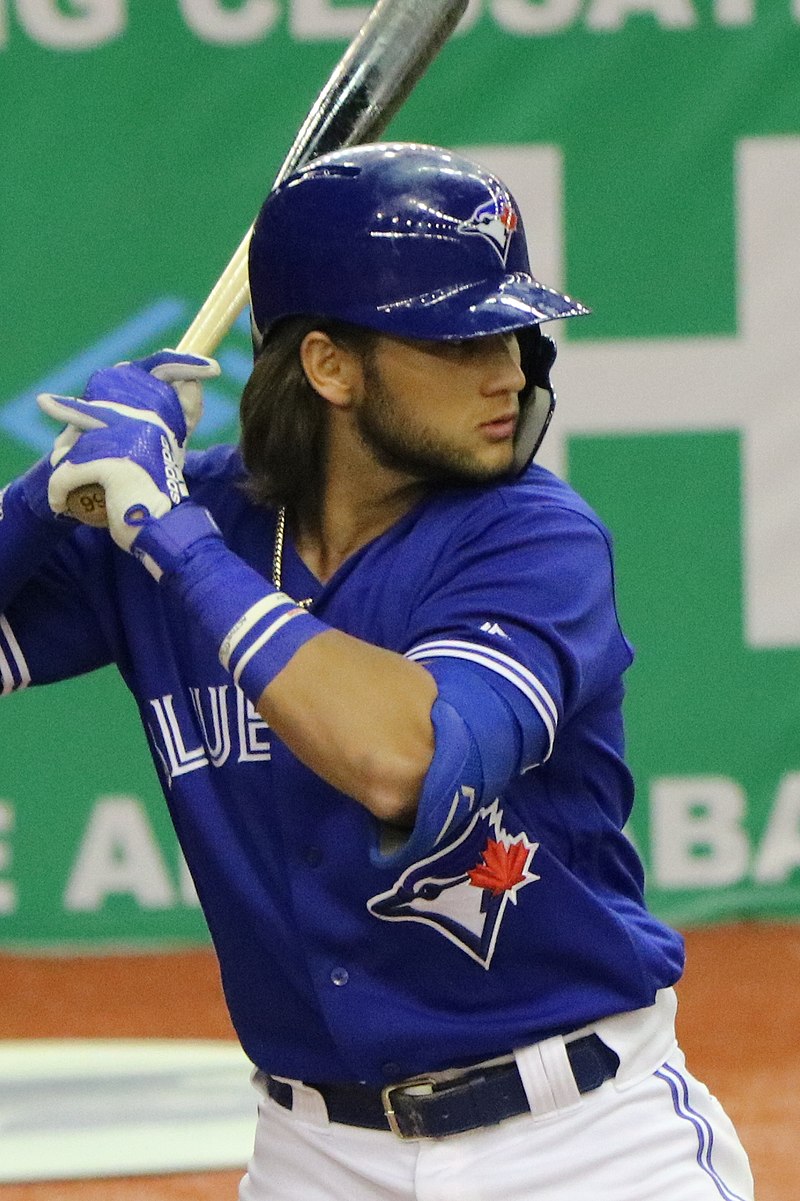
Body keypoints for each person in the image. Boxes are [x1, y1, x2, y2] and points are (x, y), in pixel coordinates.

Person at [0, 143, 754, 1201]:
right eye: (458, 340)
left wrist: (166, 536)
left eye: (512, 330)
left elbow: (402, 756)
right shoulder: (197, 521)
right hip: (312, 1154)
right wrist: (44, 494)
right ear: (330, 367)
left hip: (579, 1148)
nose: (511, 370)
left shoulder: (530, 537)